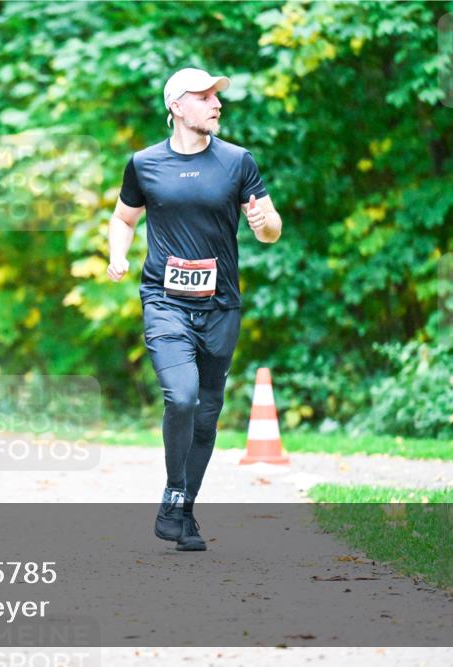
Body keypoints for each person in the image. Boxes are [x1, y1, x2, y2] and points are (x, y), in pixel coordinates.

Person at [107, 67, 282, 551]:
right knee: (181, 397)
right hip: (164, 301)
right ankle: (173, 491)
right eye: (204, 96)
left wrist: (264, 223)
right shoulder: (144, 164)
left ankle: (183, 511)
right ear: (177, 106)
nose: (216, 103)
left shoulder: (237, 161)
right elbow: (123, 218)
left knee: (206, 414)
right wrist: (118, 254)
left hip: (221, 305)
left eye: (216, 96)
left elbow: (271, 228)